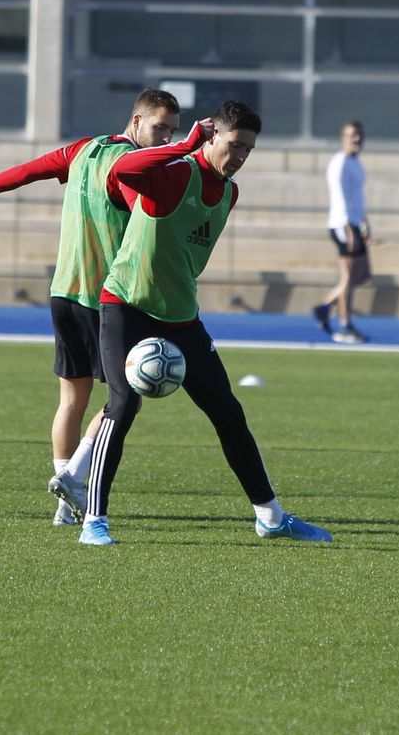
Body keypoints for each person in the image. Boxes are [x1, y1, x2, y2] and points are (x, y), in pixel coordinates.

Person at [79, 99, 332, 546]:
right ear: (213, 136)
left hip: (180, 318)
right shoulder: (178, 174)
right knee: (122, 405)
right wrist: (183, 145)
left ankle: (270, 517)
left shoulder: (230, 194)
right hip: (127, 306)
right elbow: (122, 171)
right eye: (235, 145)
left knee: (228, 412)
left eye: (249, 149)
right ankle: (93, 521)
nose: (241, 156)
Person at [0, 88, 181, 526]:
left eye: (172, 131)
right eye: (160, 128)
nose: (166, 139)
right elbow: (147, 217)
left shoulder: (83, 149)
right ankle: (74, 476)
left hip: (63, 292)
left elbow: (28, 171)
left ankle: (64, 505)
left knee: (71, 401)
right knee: (125, 399)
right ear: (136, 122)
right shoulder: (131, 166)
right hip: (108, 299)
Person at [314, 121, 371, 344]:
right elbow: (340, 197)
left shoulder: (357, 163)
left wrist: (364, 227)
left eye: (359, 135)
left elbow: (358, 198)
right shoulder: (340, 163)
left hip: (355, 224)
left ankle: (326, 306)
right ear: (344, 137)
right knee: (347, 276)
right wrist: (348, 229)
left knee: (362, 274)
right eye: (353, 135)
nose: (357, 139)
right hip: (342, 225)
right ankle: (346, 325)